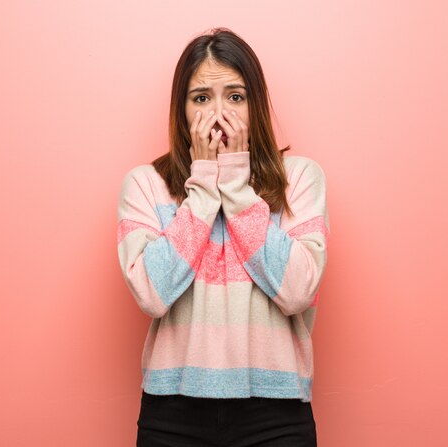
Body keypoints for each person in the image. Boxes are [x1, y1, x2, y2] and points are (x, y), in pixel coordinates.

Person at [117, 27, 330, 447]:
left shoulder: (301, 179)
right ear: (182, 110)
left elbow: (298, 290)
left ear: (256, 105)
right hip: (172, 410)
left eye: (235, 97)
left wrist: (233, 181)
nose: (218, 115)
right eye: (201, 99)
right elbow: (151, 294)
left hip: (277, 410)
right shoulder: (146, 185)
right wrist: (203, 185)